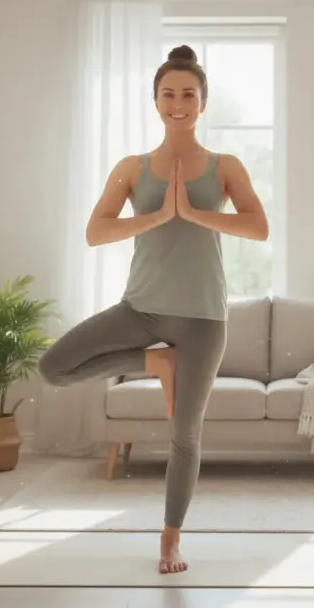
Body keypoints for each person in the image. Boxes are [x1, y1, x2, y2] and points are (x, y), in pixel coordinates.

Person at [38, 44, 269, 575]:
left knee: (184, 436)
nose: (178, 104)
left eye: (188, 94)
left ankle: (170, 540)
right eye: (168, 94)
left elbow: (258, 227)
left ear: (203, 103)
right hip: (140, 308)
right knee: (54, 367)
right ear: (155, 101)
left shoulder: (225, 167)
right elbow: (96, 232)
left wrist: (195, 213)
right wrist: (159, 215)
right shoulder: (132, 168)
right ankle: (155, 361)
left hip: (204, 319)